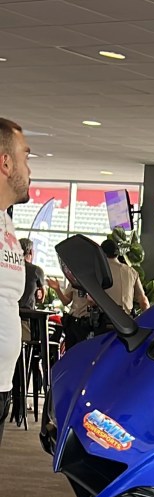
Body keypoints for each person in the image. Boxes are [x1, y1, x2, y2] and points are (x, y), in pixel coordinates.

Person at [0, 118, 30, 446]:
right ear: (5, 163)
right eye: (26, 156)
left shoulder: (6, 219)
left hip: (3, 384)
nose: (29, 168)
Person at [100, 238, 149, 315]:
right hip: (126, 321)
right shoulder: (132, 271)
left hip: (104, 320)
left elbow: (90, 300)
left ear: (101, 254)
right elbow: (143, 301)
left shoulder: (99, 270)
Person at [46, 276, 92, 350]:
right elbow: (65, 301)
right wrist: (57, 289)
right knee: (70, 349)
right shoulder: (74, 281)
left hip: (86, 321)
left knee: (83, 350)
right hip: (73, 320)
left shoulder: (93, 281)